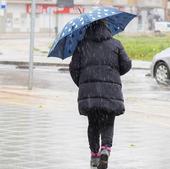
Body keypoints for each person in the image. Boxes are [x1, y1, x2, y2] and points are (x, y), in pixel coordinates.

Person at [69, 20, 131, 169]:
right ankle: (105, 149)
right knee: (108, 121)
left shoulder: (82, 45)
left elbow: (73, 69)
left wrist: (83, 83)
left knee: (93, 124)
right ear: (107, 27)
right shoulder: (115, 44)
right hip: (110, 93)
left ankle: (94, 155)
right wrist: (114, 73)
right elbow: (126, 65)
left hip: (90, 93)